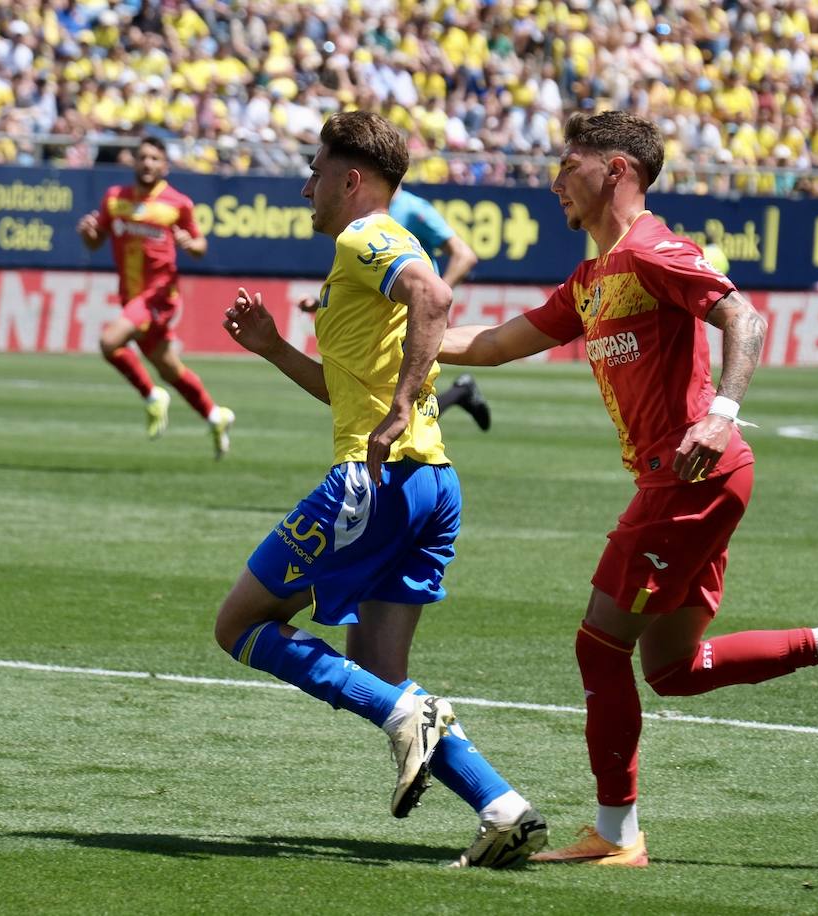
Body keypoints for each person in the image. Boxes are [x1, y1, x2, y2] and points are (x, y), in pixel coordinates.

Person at [438, 110, 818, 867]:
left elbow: (744, 317)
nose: (554, 180)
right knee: (672, 669)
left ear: (617, 170)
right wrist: (398, 342)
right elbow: (496, 344)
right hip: (689, 481)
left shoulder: (654, 251)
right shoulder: (593, 277)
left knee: (599, 647)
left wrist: (722, 413)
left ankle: (616, 835)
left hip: (690, 475)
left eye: (569, 164)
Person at [216, 111, 548, 869]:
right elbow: (345, 392)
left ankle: (408, 716)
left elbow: (435, 298)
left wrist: (399, 406)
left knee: (238, 625)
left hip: (378, 480)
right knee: (381, 672)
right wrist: (274, 349)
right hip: (430, 483)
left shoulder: (365, 235)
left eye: (315, 171)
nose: (306, 187)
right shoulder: (359, 258)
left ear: (351, 179)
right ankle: (503, 807)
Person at [77, 135, 236, 459]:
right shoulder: (114, 198)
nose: (148, 163)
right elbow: (96, 242)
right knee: (169, 368)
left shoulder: (178, 203)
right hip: (131, 296)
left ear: (165, 166)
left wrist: (190, 244)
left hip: (158, 296)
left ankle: (151, 397)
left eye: (154, 158)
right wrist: (88, 233)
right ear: (134, 162)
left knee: (110, 343)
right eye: (143, 157)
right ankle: (214, 415)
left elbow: (200, 245)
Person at [389, 188, 492, 432]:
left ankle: (461, 392)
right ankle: (461, 392)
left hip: (412, 315)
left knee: (401, 406)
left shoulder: (413, 208)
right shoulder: (374, 210)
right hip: (387, 315)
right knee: (400, 405)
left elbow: (464, 255)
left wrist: (434, 300)